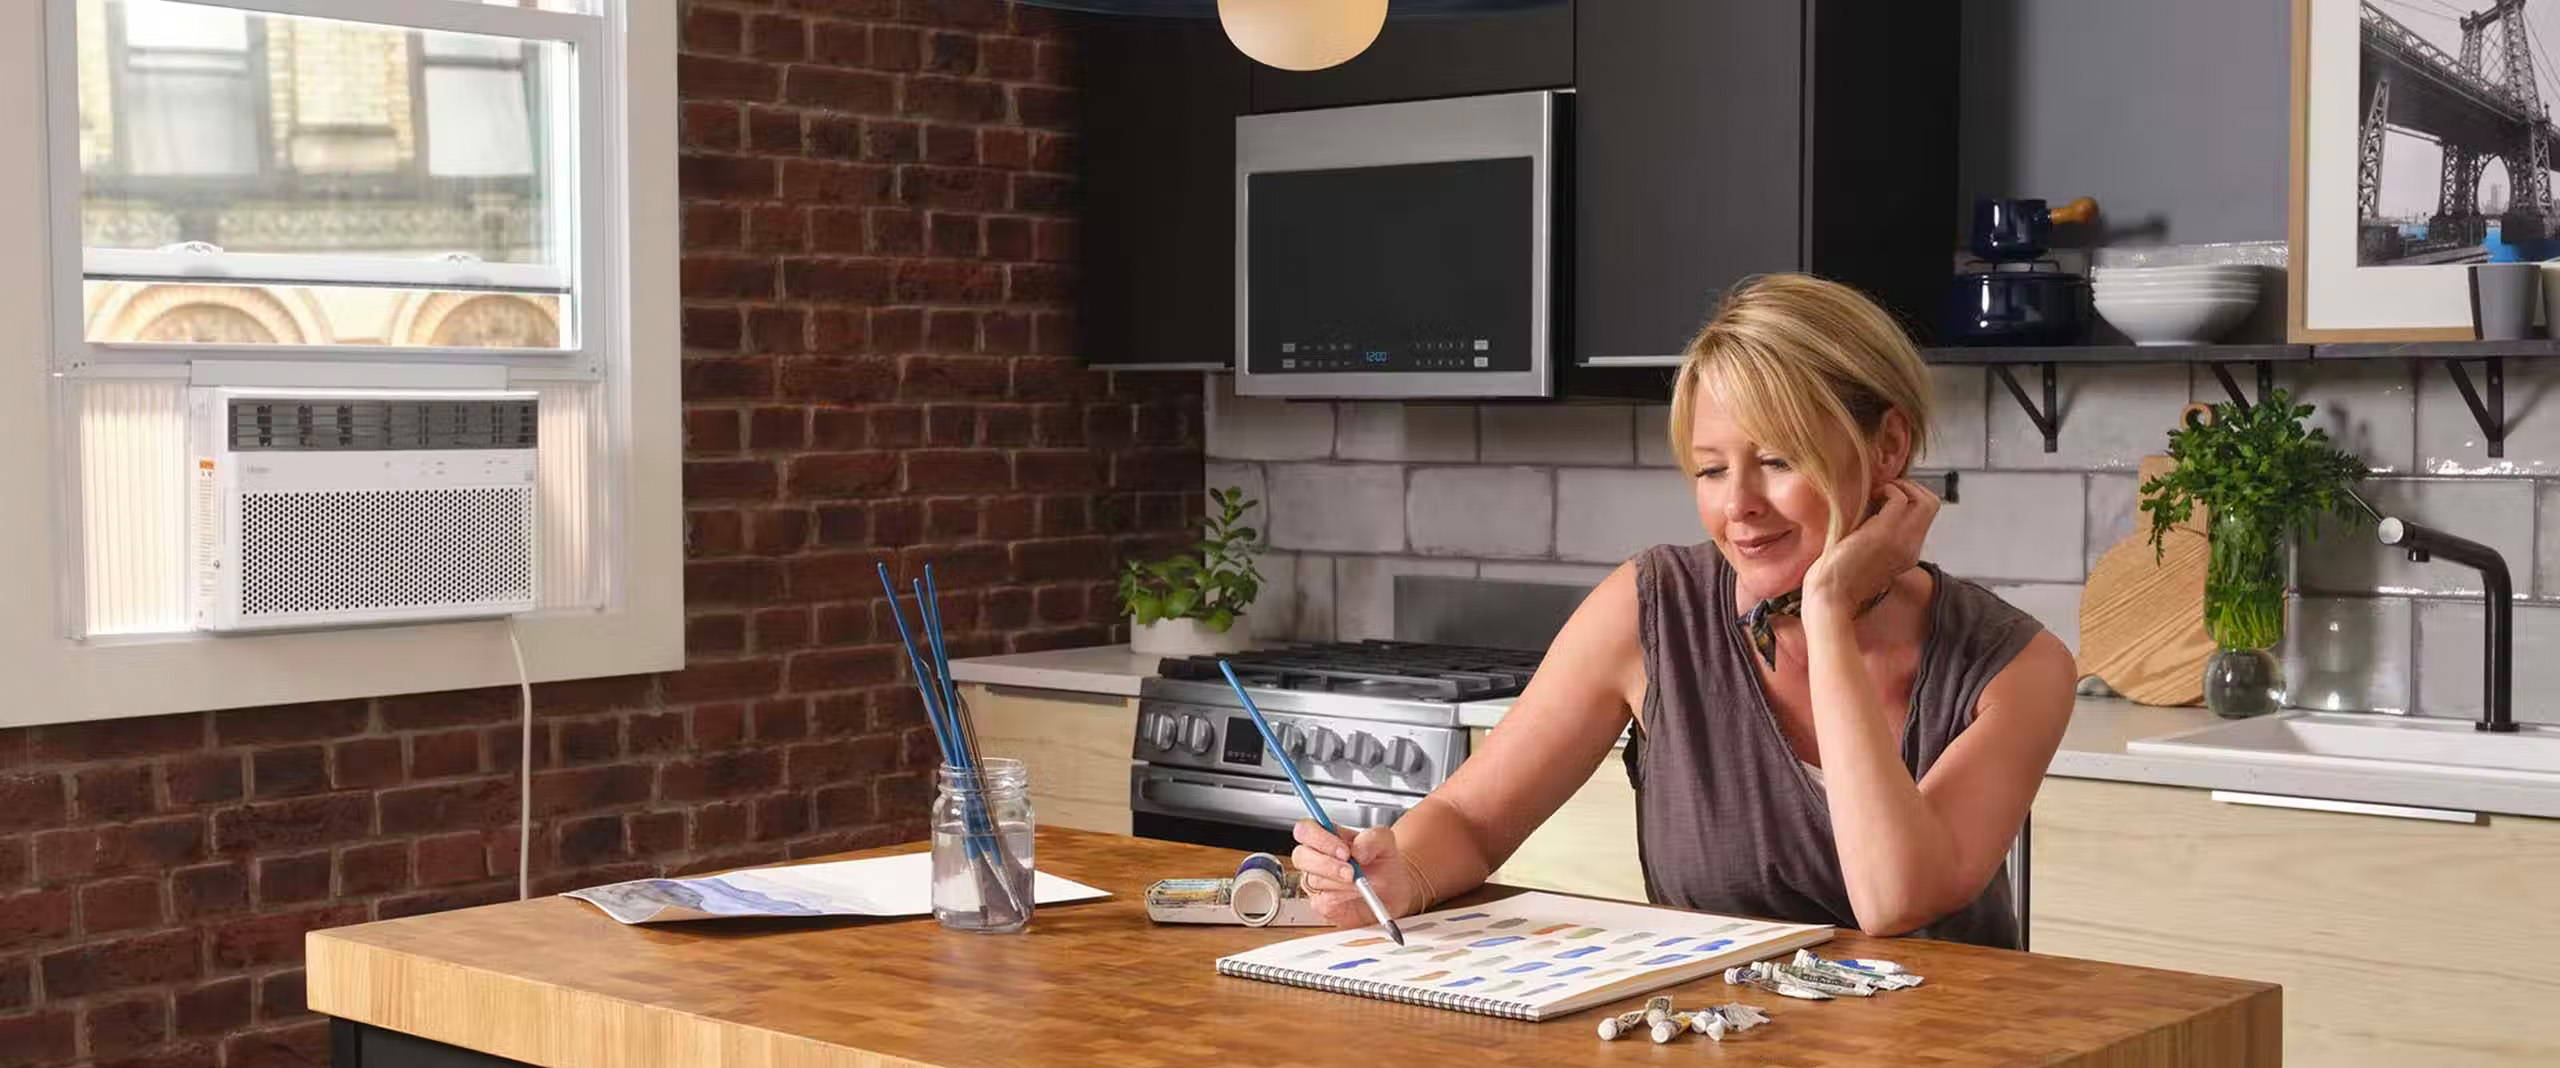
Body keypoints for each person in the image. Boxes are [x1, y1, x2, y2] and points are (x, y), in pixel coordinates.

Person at [1289, 273, 2077, 948]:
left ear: (1888, 447)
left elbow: (1892, 899)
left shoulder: (2016, 667)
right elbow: (1471, 819)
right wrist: (1403, 870)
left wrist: (1829, 613)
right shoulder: (1650, 609)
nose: (1739, 507)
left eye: (1777, 461)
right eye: (1708, 470)